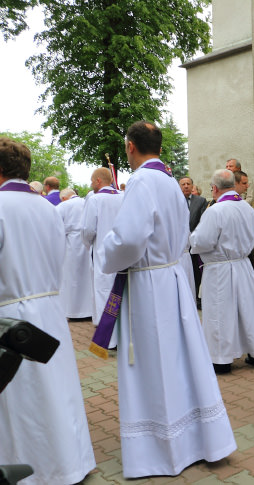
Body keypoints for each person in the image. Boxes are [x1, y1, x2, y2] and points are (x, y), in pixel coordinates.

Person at [98, 121, 236, 478]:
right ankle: (196, 438)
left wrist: (105, 252)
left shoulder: (143, 180)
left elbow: (128, 240)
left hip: (149, 287)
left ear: (130, 147)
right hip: (172, 278)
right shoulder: (172, 184)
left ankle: (163, 449)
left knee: (155, 362)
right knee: (178, 361)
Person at [0, 136, 96, 484]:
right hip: (49, 310)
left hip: (11, 316)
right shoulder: (47, 207)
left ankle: (30, 470)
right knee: (57, 392)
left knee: (22, 398)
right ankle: (68, 462)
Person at [190, 169, 254, 374]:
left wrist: (191, 239)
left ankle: (220, 359)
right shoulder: (246, 208)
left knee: (220, 312)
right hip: (242, 265)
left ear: (215, 188)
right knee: (249, 309)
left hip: (220, 268)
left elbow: (203, 241)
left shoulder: (215, 210)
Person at [81, 167, 123, 336]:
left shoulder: (95, 200)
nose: (91, 185)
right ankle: (122, 332)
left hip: (103, 253)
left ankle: (108, 335)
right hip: (122, 253)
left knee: (104, 290)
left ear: (98, 180)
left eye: (92, 181)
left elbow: (88, 229)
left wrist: (87, 244)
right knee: (121, 292)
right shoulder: (124, 196)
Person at [56, 187, 94, 319]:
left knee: (71, 277)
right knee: (87, 277)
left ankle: (72, 311)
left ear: (64, 197)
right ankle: (89, 310)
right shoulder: (87, 202)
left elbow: (55, 227)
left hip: (71, 244)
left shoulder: (63, 206)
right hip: (88, 242)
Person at [179, 175, 207, 305]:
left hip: (195, 244)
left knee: (196, 272)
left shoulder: (201, 201)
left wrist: (194, 238)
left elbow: (202, 222)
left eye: (188, 184)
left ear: (192, 186)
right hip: (180, 245)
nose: (186, 186)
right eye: (183, 184)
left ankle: (196, 299)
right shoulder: (175, 201)